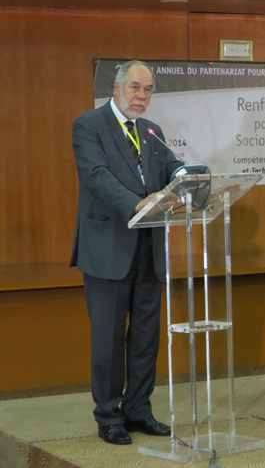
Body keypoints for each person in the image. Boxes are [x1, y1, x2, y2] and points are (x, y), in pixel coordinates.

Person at [71, 60, 182, 445]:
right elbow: (97, 177)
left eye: (148, 90)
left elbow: (173, 168)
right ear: (117, 88)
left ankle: (138, 410)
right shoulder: (89, 125)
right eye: (136, 87)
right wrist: (139, 204)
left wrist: (188, 178)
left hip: (150, 248)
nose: (142, 96)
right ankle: (108, 416)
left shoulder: (152, 131)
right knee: (108, 338)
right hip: (108, 249)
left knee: (146, 337)